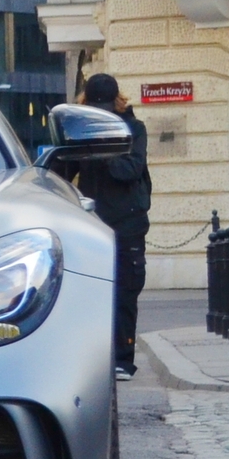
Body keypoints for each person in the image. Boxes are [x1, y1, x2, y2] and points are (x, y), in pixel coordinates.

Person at [71, 73, 151, 380]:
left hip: (127, 222)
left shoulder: (133, 128)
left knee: (125, 291)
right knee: (89, 292)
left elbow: (130, 170)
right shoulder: (80, 130)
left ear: (117, 102)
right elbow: (64, 170)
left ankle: (122, 359)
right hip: (92, 222)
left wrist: (102, 150)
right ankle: (92, 358)